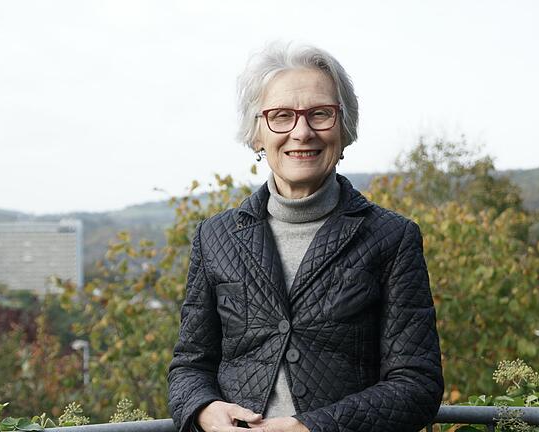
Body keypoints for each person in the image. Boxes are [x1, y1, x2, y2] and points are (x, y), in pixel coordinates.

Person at [167, 42, 444, 432]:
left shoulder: (392, 238)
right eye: (281, 116)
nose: (302, 131)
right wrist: (203, 409)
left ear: (344, 128)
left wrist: (312, 427)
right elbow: (189, 366)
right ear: (257, 134)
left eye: (320, 114)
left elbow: (417, 385)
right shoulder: (215, 237)